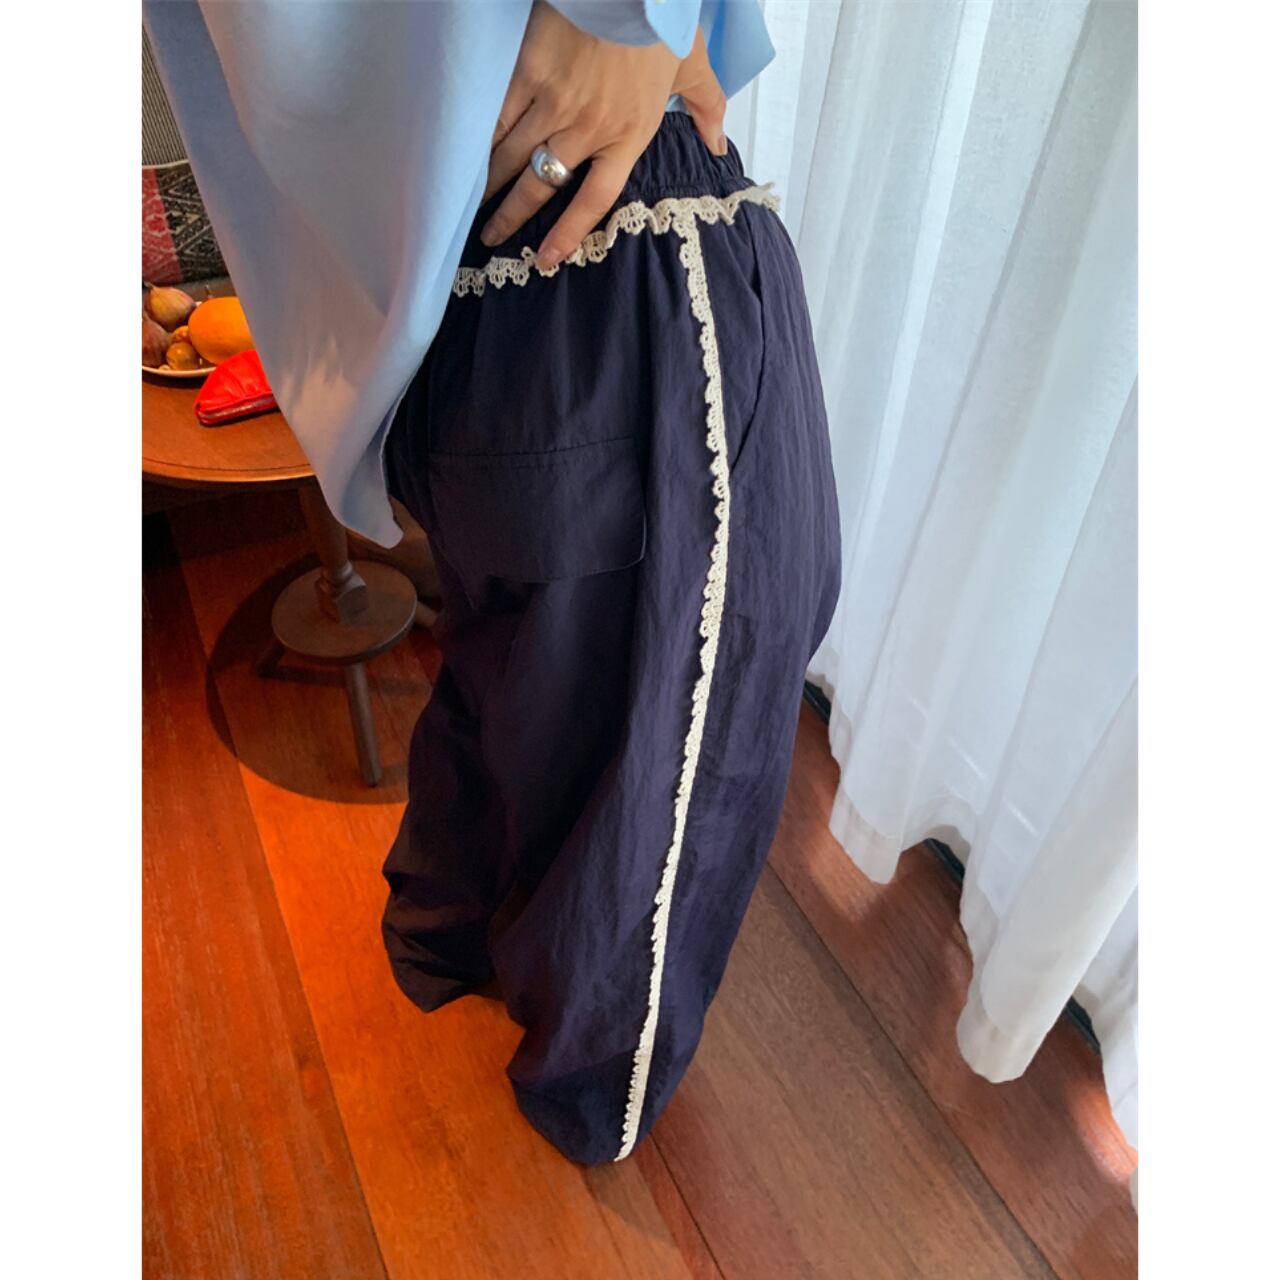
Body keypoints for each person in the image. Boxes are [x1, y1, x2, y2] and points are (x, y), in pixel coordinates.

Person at [146, 0, 840, 1164]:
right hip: (602, 229)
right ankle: (591, 1084)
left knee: (518, 656)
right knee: (693, 712)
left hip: (423, 281)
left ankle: (446, 933)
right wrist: (634, 13)